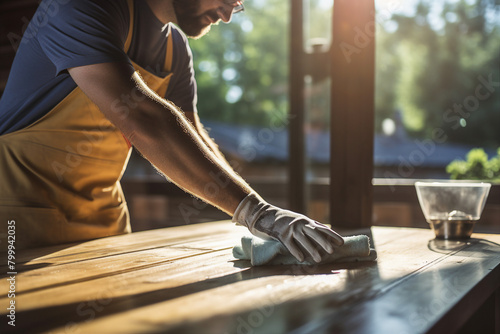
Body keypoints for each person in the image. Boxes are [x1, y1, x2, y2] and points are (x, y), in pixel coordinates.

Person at [0, 0, 344, 262]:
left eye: (236, 7)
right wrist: (257, 213)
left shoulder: (175, 50)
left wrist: (262, 219)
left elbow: (193, 139)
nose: (225, 16)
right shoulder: (81, 7)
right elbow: (143, 118)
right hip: (18, 221)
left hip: (104, 221)